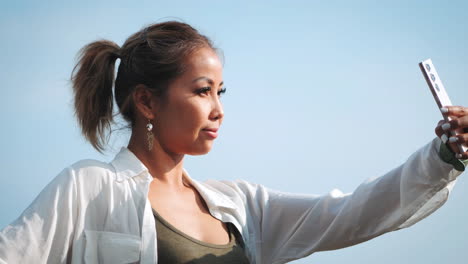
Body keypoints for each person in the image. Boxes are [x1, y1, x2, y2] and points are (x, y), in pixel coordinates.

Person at [0, 21, 467, 264]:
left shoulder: (241, 205)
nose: (218, 109)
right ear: (146, 101)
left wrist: (442, 156)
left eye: (220, 92)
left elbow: (352, 213)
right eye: (202, 91)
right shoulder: (88, 187)